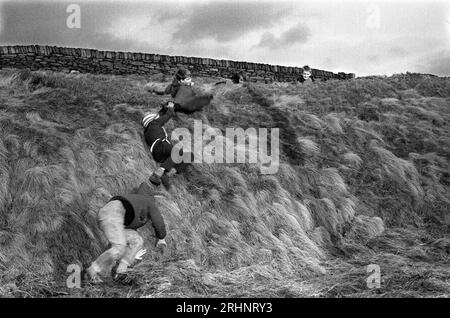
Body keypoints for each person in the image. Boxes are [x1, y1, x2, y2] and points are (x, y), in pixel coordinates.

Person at [86, 182, 167, 283]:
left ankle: (120, 272)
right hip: (114, 212)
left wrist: (131, 255)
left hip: (115, 217)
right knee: (119, 246)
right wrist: (161, 238)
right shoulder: (149, 203)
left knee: (136, 240)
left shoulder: (137, 206)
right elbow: (158, 221)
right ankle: (92, 271)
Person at [142, 101, 194, 188]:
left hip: (159, 154)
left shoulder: (148, 130)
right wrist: (171, 107)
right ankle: (157, 174)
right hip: (161, 145)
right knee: (178, 151)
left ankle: (167, 175)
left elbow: (161, 114)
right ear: (151, 120)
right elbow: (168, 115)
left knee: (190, 156)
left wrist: (164, 107)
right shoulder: (154, 123)